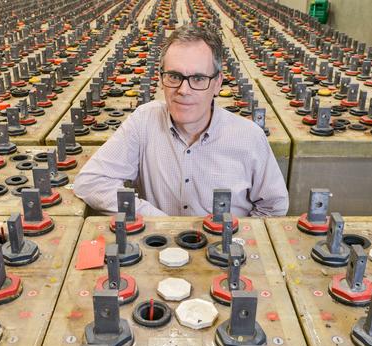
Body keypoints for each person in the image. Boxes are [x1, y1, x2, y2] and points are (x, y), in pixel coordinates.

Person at [74, 23, 288, 217]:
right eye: (174, 77)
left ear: (217, 83)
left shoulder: (249, 137)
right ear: (160, 79)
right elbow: (91, 182)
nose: (184, 90)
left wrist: (233, 242)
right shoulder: (143, 122)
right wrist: (159, 221)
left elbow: (273, 206)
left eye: (198, 78)